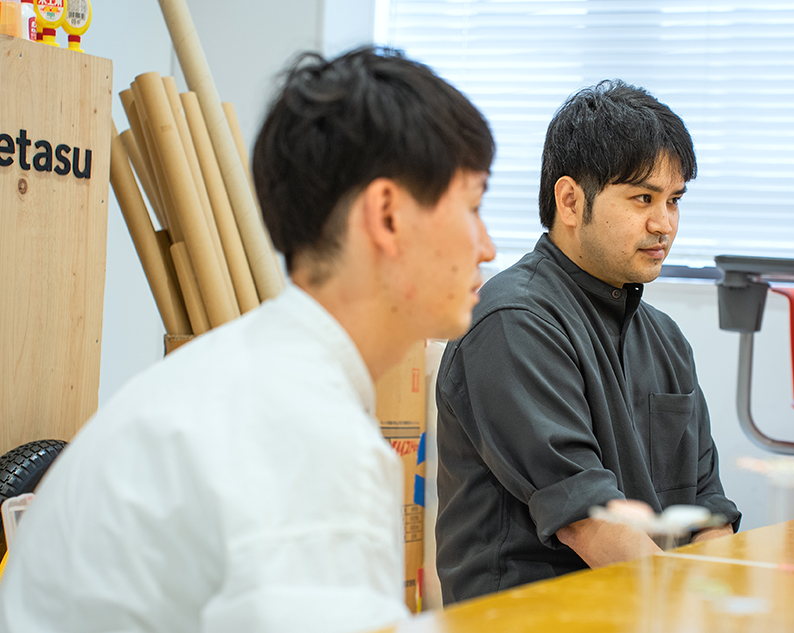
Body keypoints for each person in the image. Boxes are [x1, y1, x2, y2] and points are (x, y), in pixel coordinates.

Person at [0, 47, 495, 633]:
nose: (487, 247)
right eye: (473, 206)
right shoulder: (306, 432)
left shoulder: (243, 373)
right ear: (386, 215)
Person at [434, 80, 741, 604]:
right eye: (643, 198)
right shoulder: (511, 321)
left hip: (644, 605)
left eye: (674, 201)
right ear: (571, 200)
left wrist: (722, 600)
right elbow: (586, 520)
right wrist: (692, 611)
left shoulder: (666, 338)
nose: (664, 224)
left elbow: (708, 508)